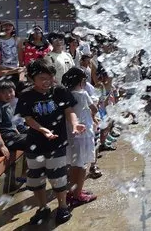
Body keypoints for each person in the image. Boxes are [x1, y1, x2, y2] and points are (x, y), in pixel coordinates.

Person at [15, 59, 85, 225]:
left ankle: (62, 207)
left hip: (57, 143)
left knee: (58, 178)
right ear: (32, 78)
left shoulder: (59, 91)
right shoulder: (26, 95)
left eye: (50, 77)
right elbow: (28, 118)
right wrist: (42, 130)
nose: (47, 82)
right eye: (42, 78)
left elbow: (69, 111)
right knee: (36, 179)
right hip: (35, 143)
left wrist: (75, 124)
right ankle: (42, 208)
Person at [62, 68, 98, 206]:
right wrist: (94, 117)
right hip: (84, 134)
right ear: (82, 81)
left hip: (71, 133)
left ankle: (72, 192)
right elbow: (93, 108)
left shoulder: (67, 94)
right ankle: (78, 194)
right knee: (82, 165)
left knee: (74, 164)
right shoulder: (82, 94)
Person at [0, 80, 26, 158]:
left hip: (10, 137)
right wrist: (1, 145)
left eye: (10, 91)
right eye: (3, 92)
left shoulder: (7, 105)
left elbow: (11, 125)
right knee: (34, 139)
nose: (8, 95)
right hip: (2, 140)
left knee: (36, 135)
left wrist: (18, 134)